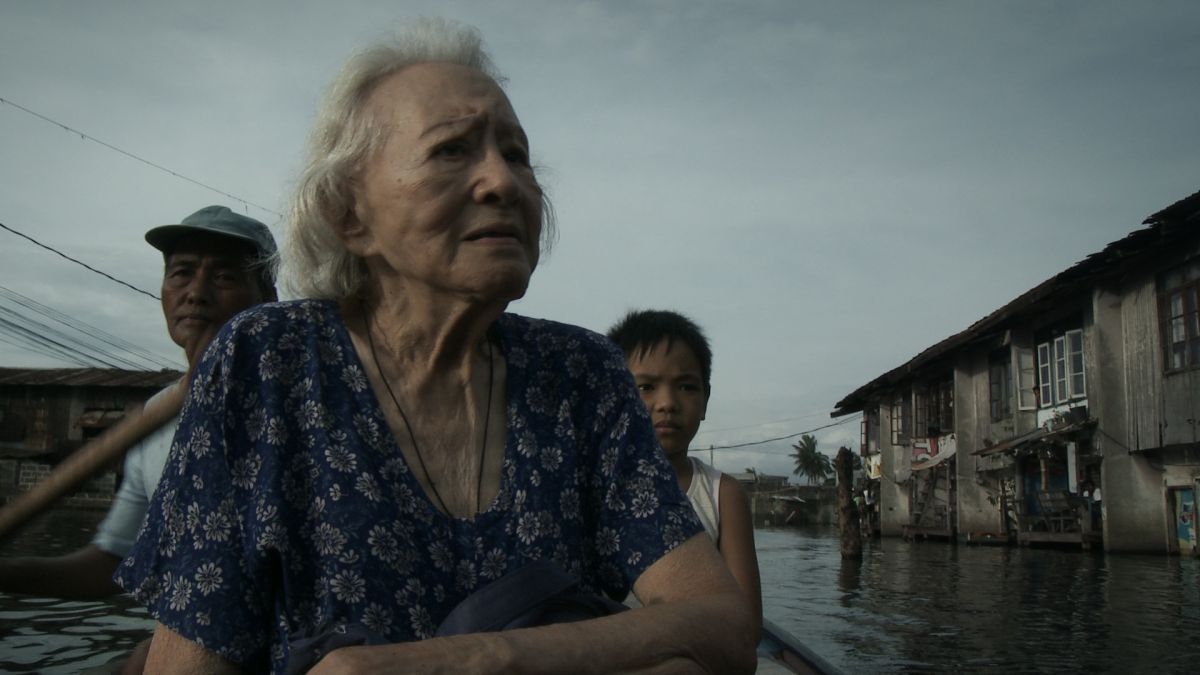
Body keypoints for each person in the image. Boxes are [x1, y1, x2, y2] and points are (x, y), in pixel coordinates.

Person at [115, 18, 756, 675]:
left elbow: (724, 625)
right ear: (350, 213)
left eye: (516, 154)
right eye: (453, 150)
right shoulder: (265, 361)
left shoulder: (582, 374)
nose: (504, 182)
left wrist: (478, 657)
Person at [0, 205, 276, 670]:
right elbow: (113, 564)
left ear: (266, 297)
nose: (196, 293)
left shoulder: (298, 399)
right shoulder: (155, 414)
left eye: (225, 277)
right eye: (181, 273)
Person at [607, 309, 762, 640]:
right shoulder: (591, 490)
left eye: (686, 387)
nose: (667, 403)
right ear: (613, 396)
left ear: (705, 400)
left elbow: (746, 626)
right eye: (646, 386)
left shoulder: (723, 494)